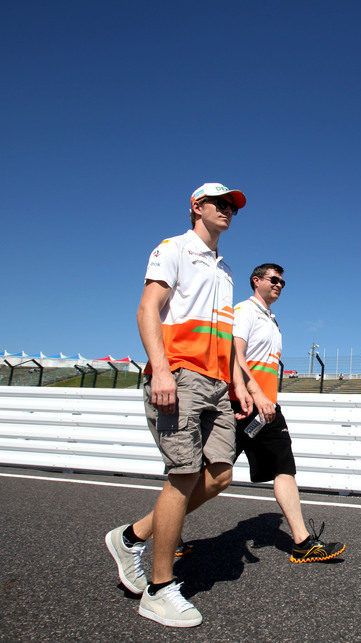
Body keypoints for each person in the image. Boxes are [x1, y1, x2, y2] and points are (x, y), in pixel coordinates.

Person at [105, 182, 253, 628]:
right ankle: (160, 588)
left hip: (216, 382)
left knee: (220, 475)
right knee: (184, 475)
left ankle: (131, 536)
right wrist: (161, 368)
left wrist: (238, 383)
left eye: (233, 206)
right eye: (220, 203)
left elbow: (226, 336)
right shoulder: (174, 248)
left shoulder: (225, 269)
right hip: (180, 374)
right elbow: (148, 307)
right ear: (197, 206)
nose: (228, 210)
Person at [232, 263, 346, 563]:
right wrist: (253, 393)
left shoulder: (272, 320)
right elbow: (234, 354)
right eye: (274, 279)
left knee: (285, 467)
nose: (279, 284)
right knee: (210, 477)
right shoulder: (245, 311)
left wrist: (266, 399)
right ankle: (160, 527)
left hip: (268, 408)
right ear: (256, 281)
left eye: (283, 281)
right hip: (242, 403)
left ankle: (301, 542)